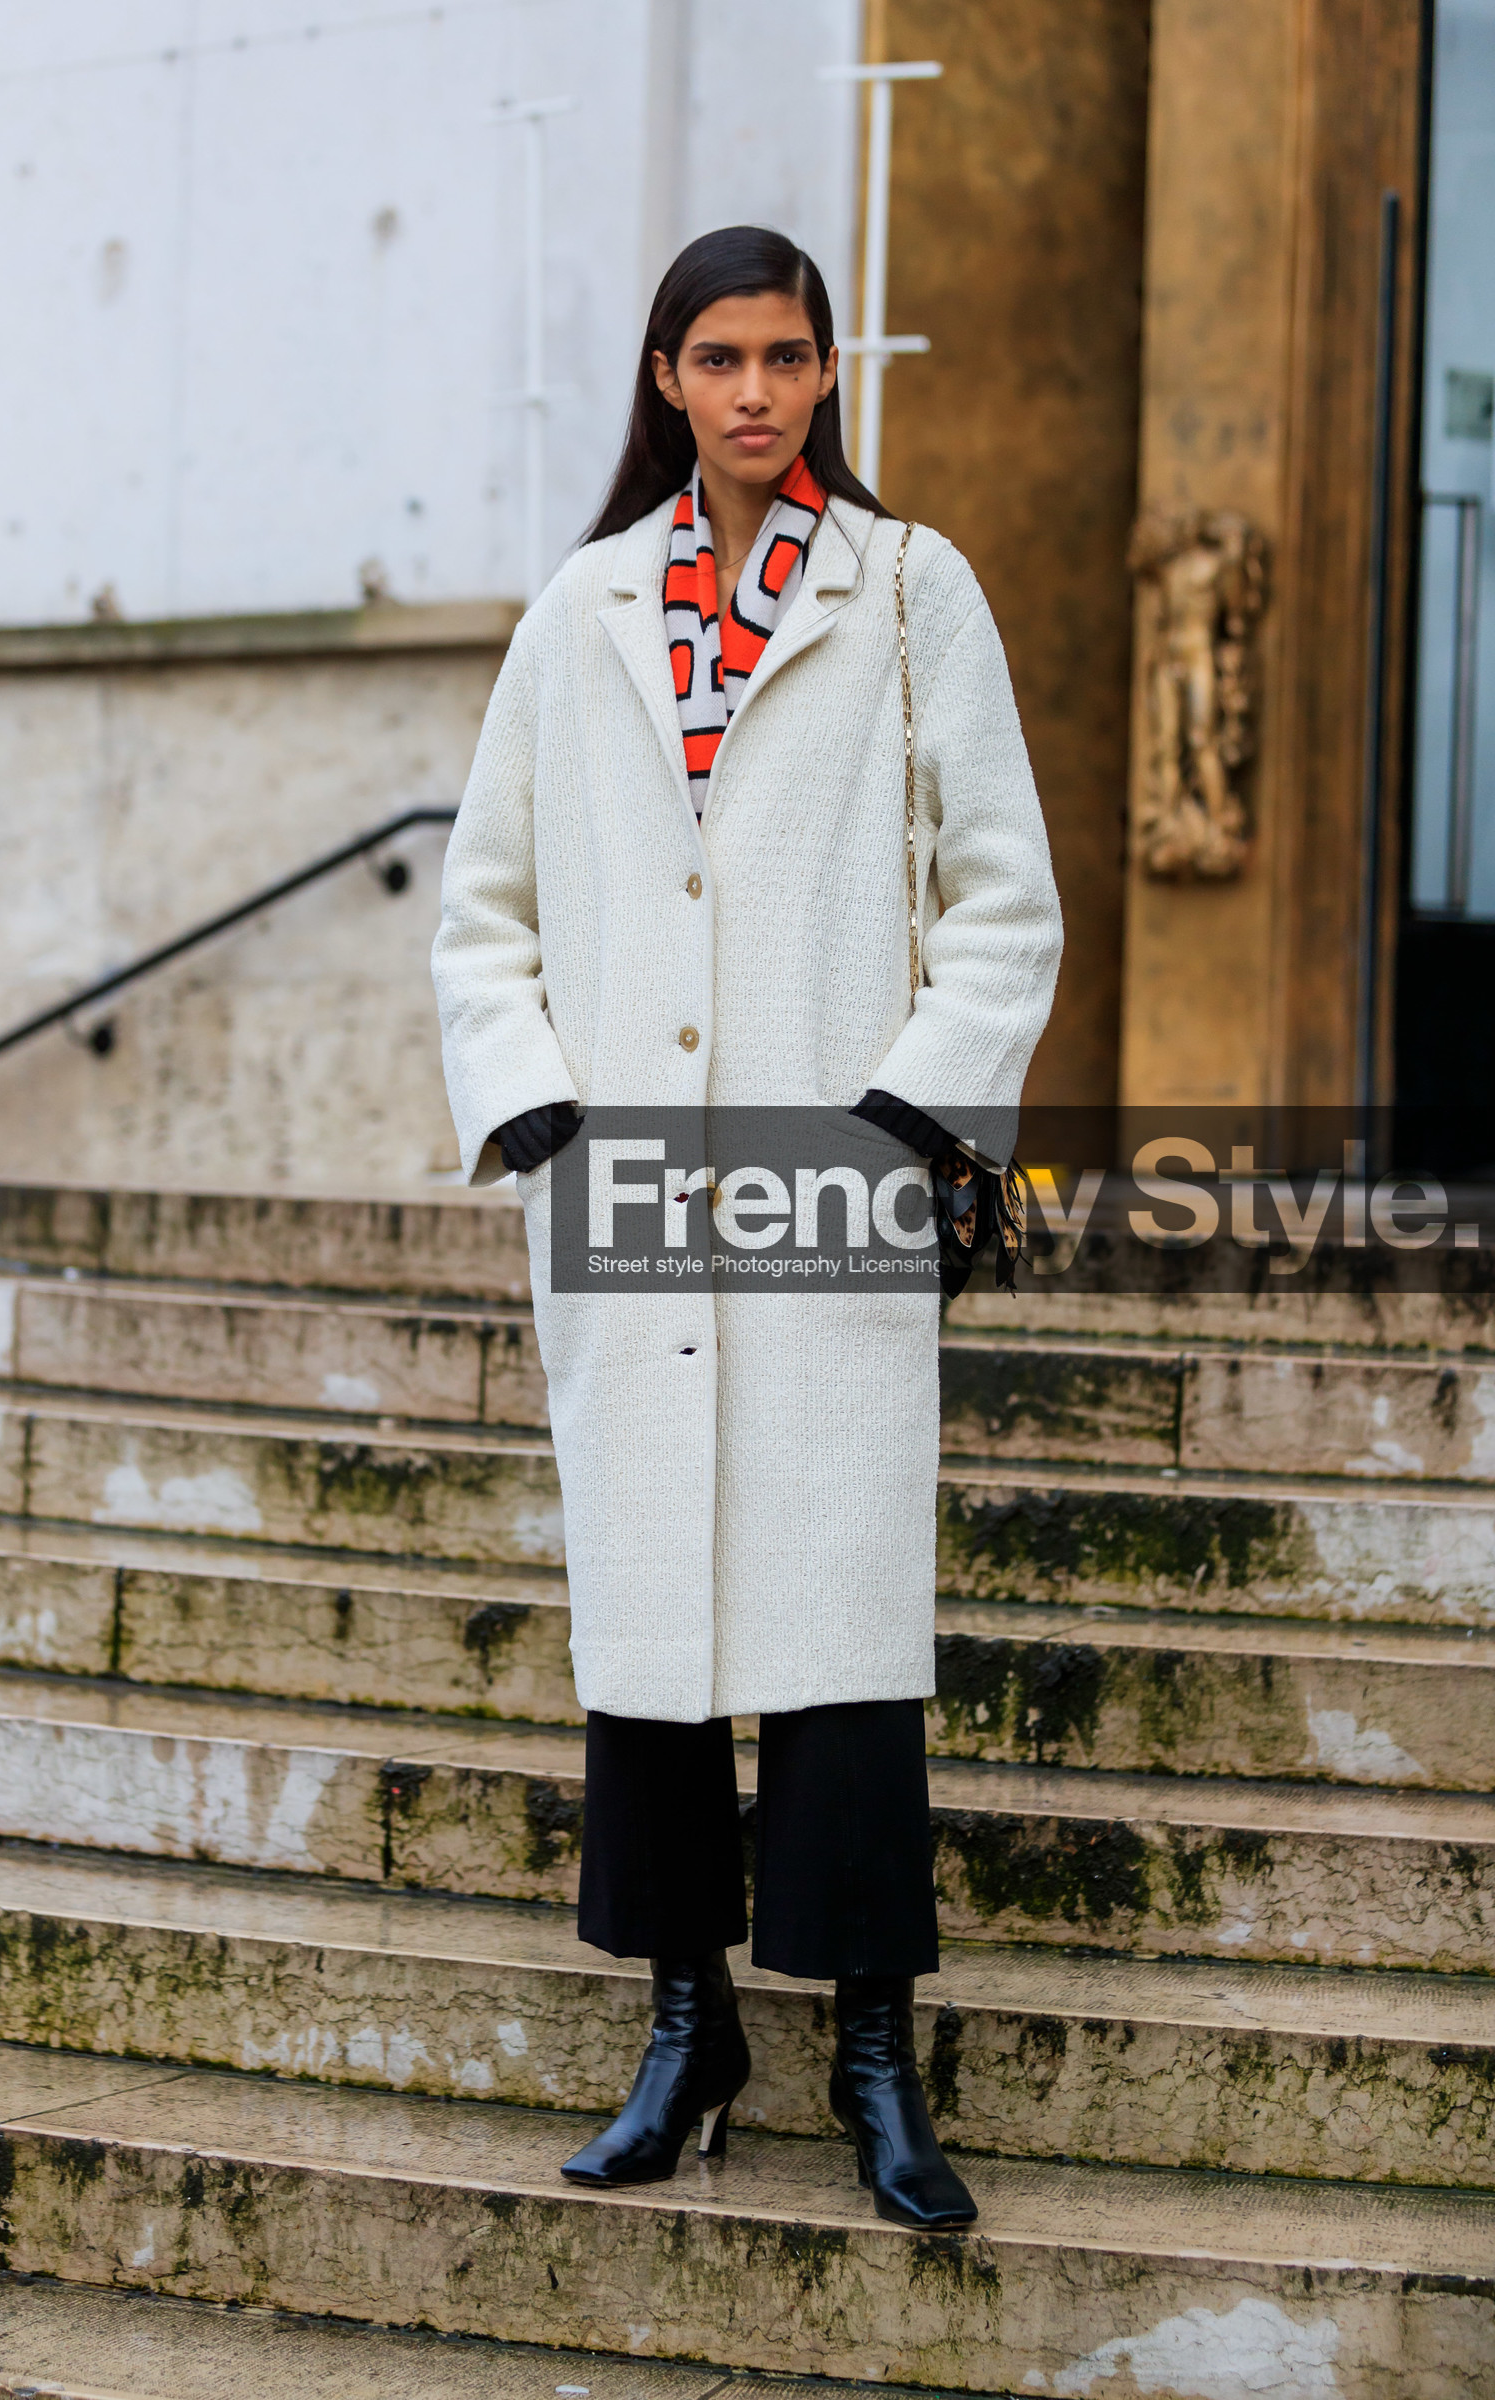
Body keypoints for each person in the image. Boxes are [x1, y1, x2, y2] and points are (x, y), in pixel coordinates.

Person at [431, 225, 1062, 2230]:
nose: (755, 392)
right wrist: (537, 1108)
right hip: (627, 1185)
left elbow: (1001, 897)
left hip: (831, 1179)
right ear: (665, 378)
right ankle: (686, 2026)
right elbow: (484, 906)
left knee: (842, 1626)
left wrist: (905, 1121)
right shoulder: (581, 610)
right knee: (650, 1630)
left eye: (786, 356)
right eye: (719, 358)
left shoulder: (909, 589)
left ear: (825, 373)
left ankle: (873, 2056)